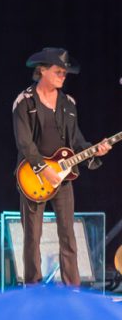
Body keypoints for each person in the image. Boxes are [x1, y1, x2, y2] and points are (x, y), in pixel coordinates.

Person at [12, 47, 111, 286]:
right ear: (42, 71)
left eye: (65, 73)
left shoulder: (68, 103)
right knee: (32, 238)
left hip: (63, 176)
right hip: (33, 176)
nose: (63, 76)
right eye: (58, 71)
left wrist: (93, 151)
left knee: (68, 235)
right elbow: (25, 143)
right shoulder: (24, 102)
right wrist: (43, 169)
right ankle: (32, 288)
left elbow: (75, 140)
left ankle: (72, 289)